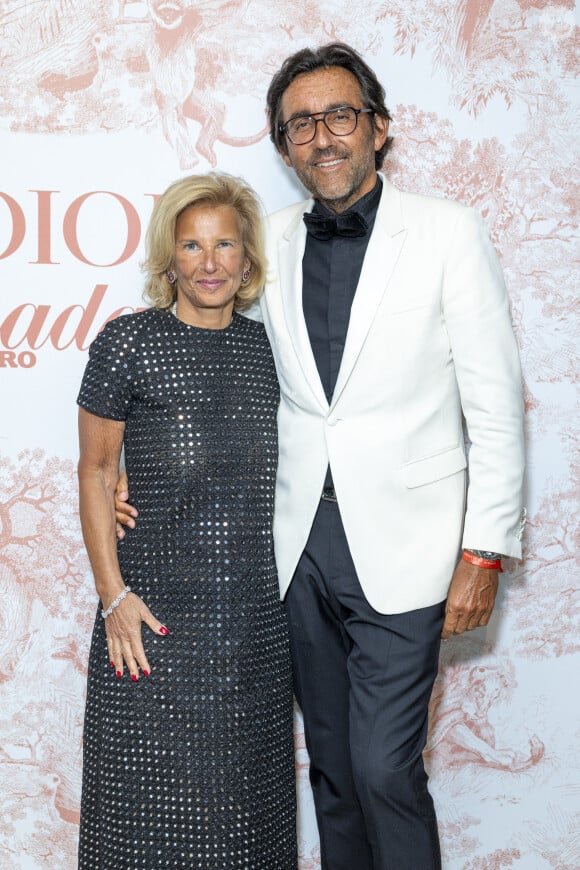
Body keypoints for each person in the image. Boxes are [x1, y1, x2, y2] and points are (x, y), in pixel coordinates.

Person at [117, 43, 526, 870]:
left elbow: (497, 404)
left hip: (412, 547)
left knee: (384, 768)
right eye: (300, 124)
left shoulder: (449, 233)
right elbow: (216, 363)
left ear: (379, 128)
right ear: (283, 145)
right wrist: (148, 459)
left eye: (340, 115)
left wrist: (485, 549)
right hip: (295, 547)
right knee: (334, 774)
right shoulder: (260, 244)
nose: (323, 137)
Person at [76, 172, 296, 870]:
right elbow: (96, 472)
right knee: (141, 820)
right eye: (192, 245)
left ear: (247, 258)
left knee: (246, 824)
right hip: (150, 624)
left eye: (224, 243)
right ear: (169, 259)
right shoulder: (128, 343)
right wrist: (114, 598)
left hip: (254, 631)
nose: (209, 262)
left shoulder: (274, 354)